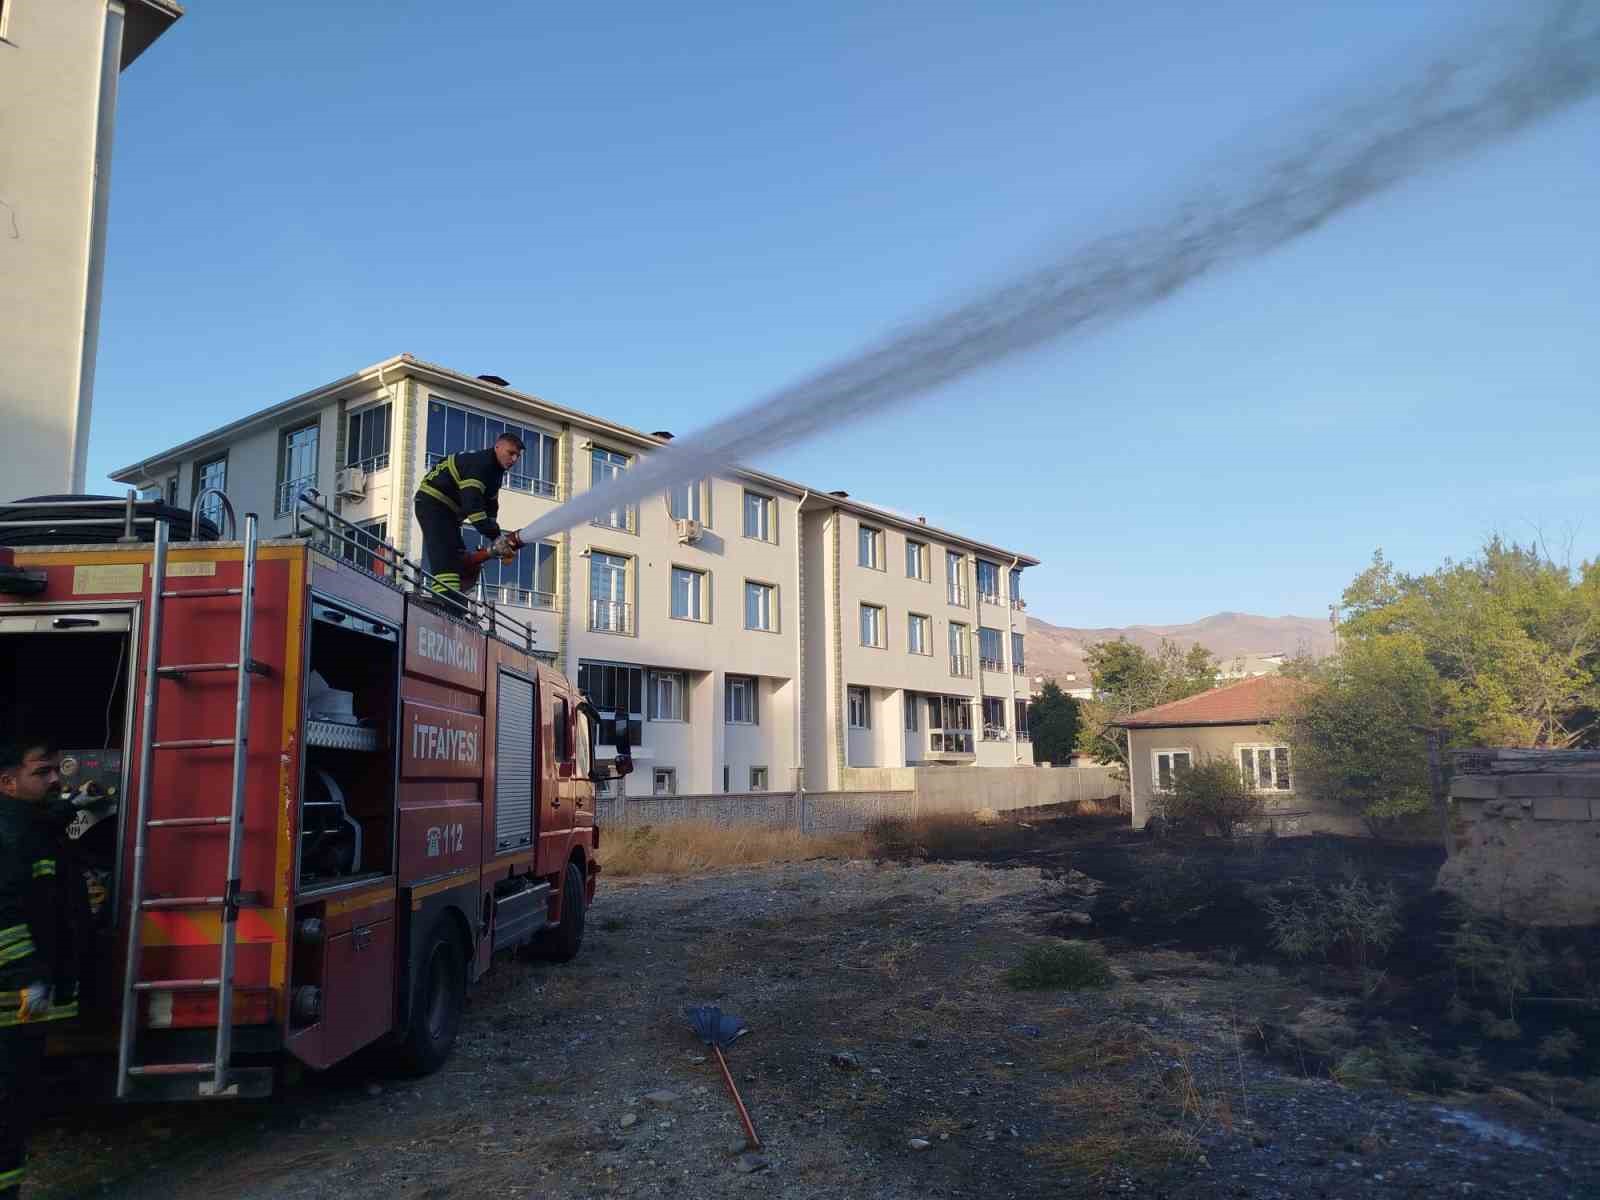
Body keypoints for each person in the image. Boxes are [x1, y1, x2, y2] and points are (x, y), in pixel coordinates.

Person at [0, 741, 79, 1198]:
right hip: (10, 996)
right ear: (8, 783)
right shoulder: (11, 835)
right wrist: (26, 973)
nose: (55, 780)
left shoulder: (29, 826)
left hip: (20, 1000)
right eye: (42, 773)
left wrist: (73, 808)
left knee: (18, 1101)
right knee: (7, 1104)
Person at [413, 432, 524, 613]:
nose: (514, 459)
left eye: (517, 456)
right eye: (510, 453)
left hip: (447, 512)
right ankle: (447, 609)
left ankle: (454, 603)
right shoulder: (481, 465)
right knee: (445, 558)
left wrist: (496, 538)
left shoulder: (495, 473)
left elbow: (490, 506)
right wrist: (496, 537)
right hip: (433, 504)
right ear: (497, 447)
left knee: (457, 555)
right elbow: (473, 507)